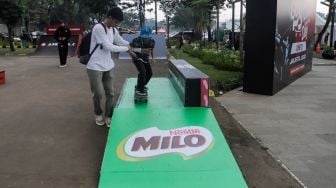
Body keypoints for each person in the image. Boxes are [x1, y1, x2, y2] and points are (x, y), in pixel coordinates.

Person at [87, 7, 136, 127]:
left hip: (108, 66)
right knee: (98, 93)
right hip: (95, 66)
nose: (116, 24)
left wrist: (131, 45)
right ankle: (98, 113)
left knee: (111, 93)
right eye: (116, 22)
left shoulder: (113, 30)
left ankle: (109, 115)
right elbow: (108, 46)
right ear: (109, 18)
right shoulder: (99, 28)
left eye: (118, 23)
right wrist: (127, 49)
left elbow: (120, 41)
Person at [129, 25, 156, 97]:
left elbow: (152, 49)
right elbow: (130, 49)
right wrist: (133, 54)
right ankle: (139, 90)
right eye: (144, 37)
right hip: (137, 58)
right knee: (143, 72)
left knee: (149, 73)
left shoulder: (152, 41)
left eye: (147, 37)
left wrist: (153, 58)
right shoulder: (136, 40)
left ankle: (141, 85)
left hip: (146, 59)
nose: (146, 39)